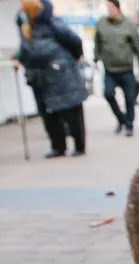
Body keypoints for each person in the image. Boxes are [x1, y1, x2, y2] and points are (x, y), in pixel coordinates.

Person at [16, 0, 89, 157]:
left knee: (71, 111)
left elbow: (74, 41)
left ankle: (79, 145)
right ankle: (58, 146)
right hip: (39, 75)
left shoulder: (52, 23)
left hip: (61, 72)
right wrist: (18, 58)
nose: (19, 6)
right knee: (48, 114)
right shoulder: (24, 25)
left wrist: (72, 60)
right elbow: (25, 49)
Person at [94, 0, 139, 136]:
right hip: (109, 69)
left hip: (126, 68)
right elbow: (97, 43)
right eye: (107, 7)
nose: (108, 10)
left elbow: (137, 46)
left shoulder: (128, 25)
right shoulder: (101, 23)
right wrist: (95, 59)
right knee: (108, 94)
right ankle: (121, 119)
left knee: (129, 97)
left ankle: (129, 125)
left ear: (117, 8)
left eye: (110, 7)